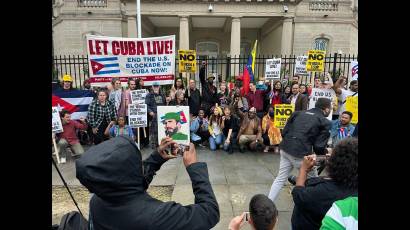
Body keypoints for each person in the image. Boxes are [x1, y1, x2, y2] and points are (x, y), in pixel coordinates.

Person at [76, 136, 220, 230]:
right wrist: (194, 168)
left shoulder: (97, 201)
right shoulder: (157, 215)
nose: (140, 165)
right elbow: (209, 212)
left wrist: (156, 157)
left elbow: (128, 186)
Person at [268, 98, 332, 202]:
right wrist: (325, 154)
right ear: (326, 109)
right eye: (330, 108)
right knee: (313, 183)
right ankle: (307, 208)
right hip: (301, 154)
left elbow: (284, 133)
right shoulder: (325, 121)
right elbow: (318, 147)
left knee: (280, 179)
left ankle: (268, 204)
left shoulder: (297, 113)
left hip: (285, 148)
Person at [291, 138, 358, 230]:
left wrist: (303, 169)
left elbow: (298, 193)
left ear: (337, 163)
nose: (328, 154)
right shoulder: (353, 192)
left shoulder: (321, 192)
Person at [146, 82, 166, 148]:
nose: (156, 87)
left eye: (157, 86)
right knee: (153, 130)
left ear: (159, 86)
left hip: (161, 115)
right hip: (153, 116)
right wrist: (150, 112)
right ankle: (154, 144)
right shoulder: (149, 95)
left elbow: (165, 104)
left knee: (162, 129)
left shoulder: (162, 94)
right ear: (152, 87)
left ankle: (161, 144)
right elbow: (146, 105)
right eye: (154, 86)